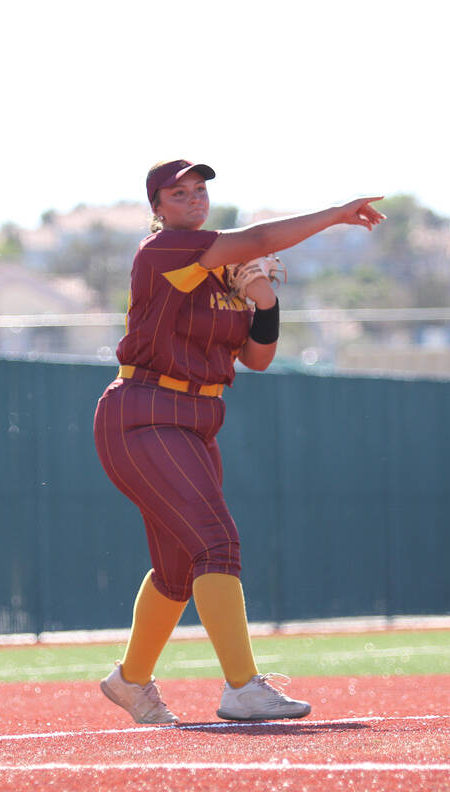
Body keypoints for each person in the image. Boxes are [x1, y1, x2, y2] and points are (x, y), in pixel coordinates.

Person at [93, 159, 385, 723]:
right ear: (158, 208)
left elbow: (257, 357)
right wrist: (336, 214)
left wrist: (264, 300)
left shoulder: (220, 271)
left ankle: (130, 680)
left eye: (200, 190)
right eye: (178, 194)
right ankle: (243, 688)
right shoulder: (165, 251)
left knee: (180, 570)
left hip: (197, 419)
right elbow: (257, 237)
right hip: (144, 412)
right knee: (217, 544)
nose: (194, 199)